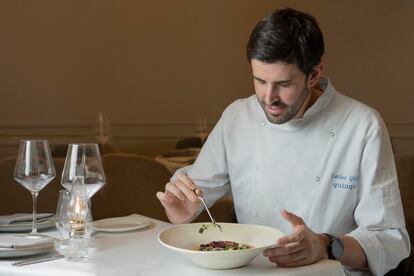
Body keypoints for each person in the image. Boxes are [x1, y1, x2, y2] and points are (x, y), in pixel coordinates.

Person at [156, 7, 410, 275]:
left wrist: (325, 245)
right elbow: (191, 199)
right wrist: (181, 214)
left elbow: (391, 240)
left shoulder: (362, 125)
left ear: (314, 74)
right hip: (254, 271)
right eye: (259, 81)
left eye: (283, 84)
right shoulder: (237, 116)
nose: (268, 97)